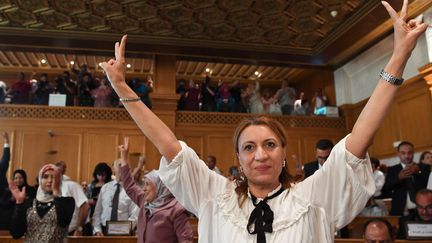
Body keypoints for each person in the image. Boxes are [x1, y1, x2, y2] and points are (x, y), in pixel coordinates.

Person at [100, 1, 428, 241]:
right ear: (238, 158)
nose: (260, 155)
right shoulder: (216, 196)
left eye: (270, 144)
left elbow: (361, 137)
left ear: (284, 153)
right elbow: (168, 145)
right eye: (249, 147)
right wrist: (121, 87)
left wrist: (398, 57)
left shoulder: (313, 196)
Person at [118, 137, 194, 243]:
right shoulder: (144, 200)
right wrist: (124, 157)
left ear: (160, 186)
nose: (144, 189)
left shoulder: (176, 210)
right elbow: (129, 186)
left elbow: (186, 240)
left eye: (148, 184)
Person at [9, 164, 75, 242]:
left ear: (59, 180)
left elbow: (63, 222)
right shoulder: (29, 203)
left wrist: (56, 193)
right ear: (40, 180)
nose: (50, 180)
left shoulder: (67, 201)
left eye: (54, 177)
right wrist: (19, 202)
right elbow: (16, 234)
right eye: (45, 177)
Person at [92, 159, 138, 236]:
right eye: (119, 165)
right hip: (103, 231)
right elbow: (97, 212)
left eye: (124, 166)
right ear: (113, 169)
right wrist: (97, 230)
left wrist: (124, 230)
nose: (122, 168)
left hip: (124, 232)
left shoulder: (132, 189)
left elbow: (135, 215)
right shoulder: (105, 188)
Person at [382, 141, 429, 216]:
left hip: (421, 210)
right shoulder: (392, 170)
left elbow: (428, 186)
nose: (407, 156)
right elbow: (385, 190)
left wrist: (418, 172)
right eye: (403, 153)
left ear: (413, 152)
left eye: (409, 153)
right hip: (400, 211)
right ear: (398, 154)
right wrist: (398, 178)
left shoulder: (423, 167)